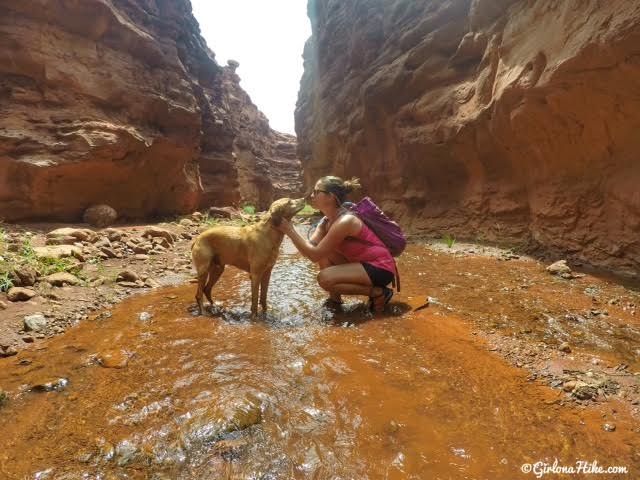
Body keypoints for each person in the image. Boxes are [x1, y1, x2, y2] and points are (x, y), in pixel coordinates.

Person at [275, 176, 396, 313]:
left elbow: (313, 255)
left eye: (316, 192)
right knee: (323, 254)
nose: (312, 195)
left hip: (380, 267)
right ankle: (335, 301)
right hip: (362, 265)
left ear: (330, 197)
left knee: (324, 278)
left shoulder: (345, 221)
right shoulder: (326, 221)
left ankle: (378, 292)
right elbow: (309, 250)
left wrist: (290, 231)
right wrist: (291, 232)